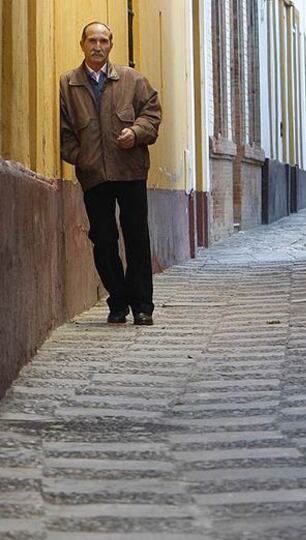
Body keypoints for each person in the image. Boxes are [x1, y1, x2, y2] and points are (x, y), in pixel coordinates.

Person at [60, 22, 162, 325]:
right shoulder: (68, 84)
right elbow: (65, 132)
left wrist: (136, 131)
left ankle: (143, 306)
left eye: (104, 40)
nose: (98, 46)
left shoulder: (133, 80)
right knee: (103, 240)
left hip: (130, 170)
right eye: (92, 40)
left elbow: (152, 114)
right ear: (82, 44)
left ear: (111, 46)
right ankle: (118, 302)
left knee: (137, 238)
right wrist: (81, 158)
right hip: (94, 175)